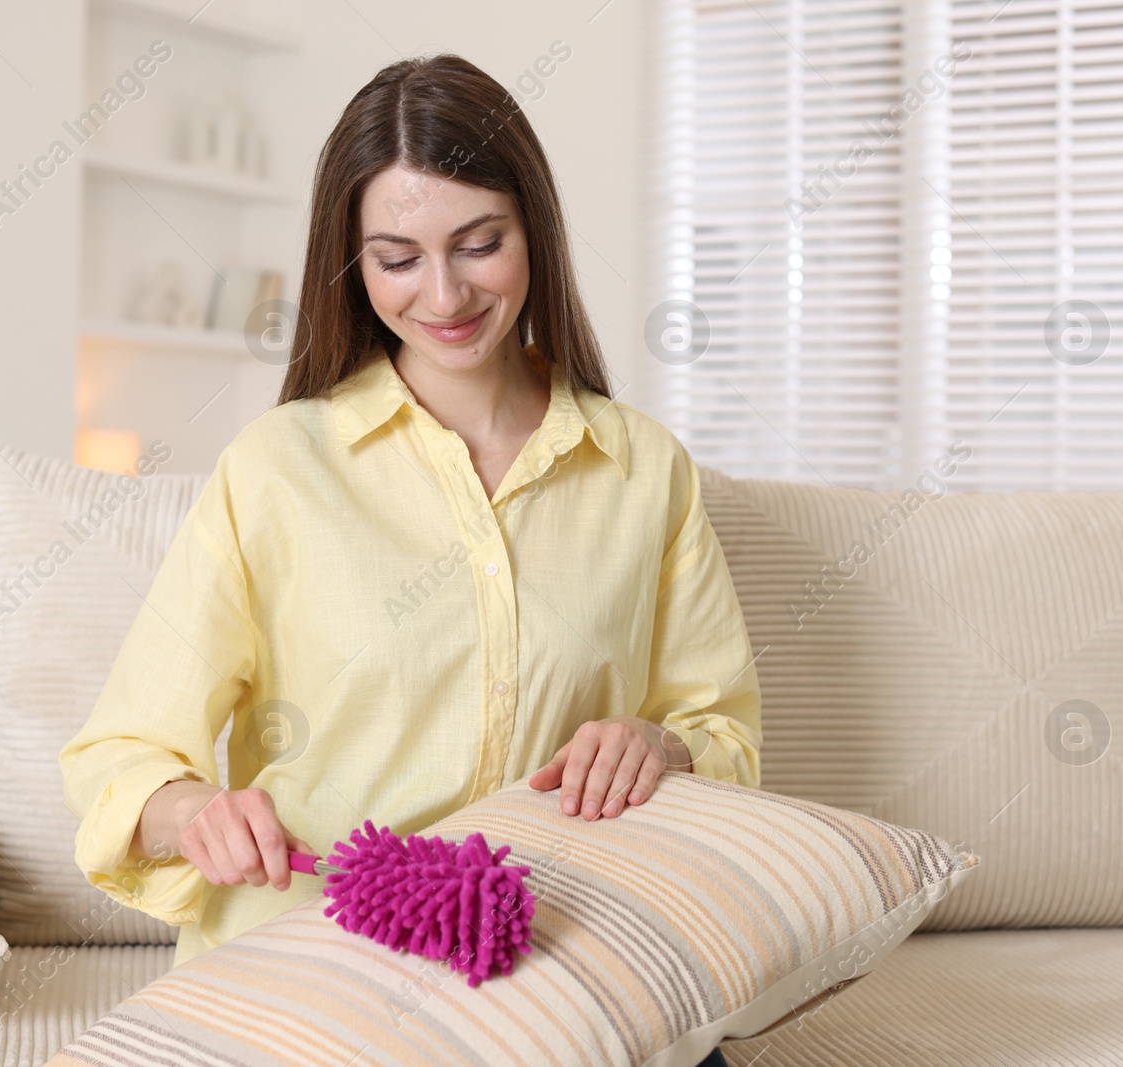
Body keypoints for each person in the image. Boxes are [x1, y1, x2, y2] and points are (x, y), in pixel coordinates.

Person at [58, 53, 761, 1065]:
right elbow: (119, 754)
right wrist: (191, 812)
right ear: (350, 262)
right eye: (396, 257)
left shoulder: (642, 471)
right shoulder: (276, 470)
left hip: (559, 978)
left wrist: (670, 748)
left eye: (481, 244)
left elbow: (720, 724)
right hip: (313, 970)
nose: (444, 293)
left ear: (535, 234)